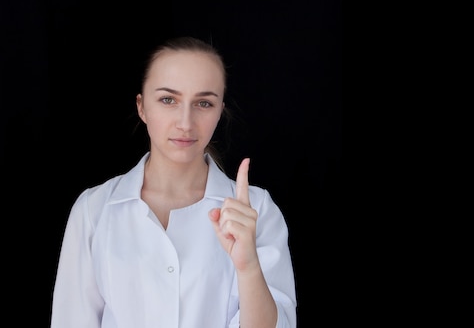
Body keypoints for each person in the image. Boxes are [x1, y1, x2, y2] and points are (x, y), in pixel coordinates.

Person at [50, 36, 297, 328]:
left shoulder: (257, 211)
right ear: (142, 107)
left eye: (204, 103)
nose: (185, 122)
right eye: (168, 99)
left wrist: (248, 268)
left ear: (220, 111)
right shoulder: (93, 210)